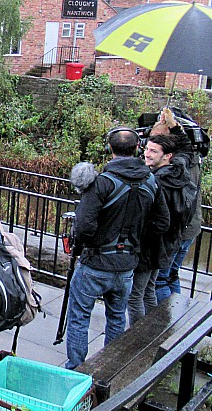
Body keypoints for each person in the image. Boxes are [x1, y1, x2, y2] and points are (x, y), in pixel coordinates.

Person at [65, 127, 169, 370]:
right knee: (116, 317)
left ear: (109, 149)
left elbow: (84, 226)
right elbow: (162, 222)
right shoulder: (151, 181)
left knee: (79, 317)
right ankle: (108, 369)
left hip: (95, 264)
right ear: (137, 149)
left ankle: (77, 370)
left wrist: (88, 246)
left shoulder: (102, 182)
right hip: (126, 267)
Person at [129, 135, 191, 325]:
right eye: (146, 149)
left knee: (135, 296)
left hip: (150, 247)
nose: (147, 154)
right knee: (149, 290)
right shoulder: (177, 174)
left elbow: (157, 220)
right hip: (164, 246)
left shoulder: (159, 182)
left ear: (168, 156)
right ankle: (154, 332)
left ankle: (136, 341)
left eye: (153, 151)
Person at [152, 109, 201, 302]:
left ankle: (166, 324)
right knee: (172, 275)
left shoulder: (174, 168)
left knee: (160, 281)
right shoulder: (191, 157)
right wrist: (173, 125)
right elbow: (185, 145)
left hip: (177, 231)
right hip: (190, 227)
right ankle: (179, 317)